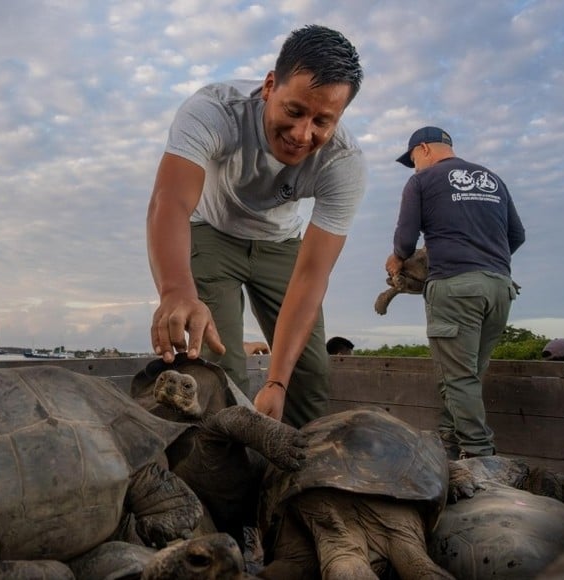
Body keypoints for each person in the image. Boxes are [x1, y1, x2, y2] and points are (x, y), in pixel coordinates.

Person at [147, 24, 366, 428]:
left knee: (309, 372)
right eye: (295, 111)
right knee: (217, 363)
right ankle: (223, 480)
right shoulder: (215, 110)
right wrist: (176, 291)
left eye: (323, 121)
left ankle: (301, 475)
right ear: (269, 86)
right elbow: (170, 201)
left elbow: (312, 275)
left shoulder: (343, 162)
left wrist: (277, 382)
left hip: (280, 244)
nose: (303, 134)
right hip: (212, 231)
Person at [386, 126, 525, 459]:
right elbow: (516, 236)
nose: (414, 166)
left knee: (458, 378)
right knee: (468, 375)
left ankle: (481, 457)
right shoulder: (493, 179)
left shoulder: (422, 181)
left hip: (455, 287)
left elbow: (405, 239)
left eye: (413, 159)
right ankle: (448, 443)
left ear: (423, 149)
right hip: (500, 287)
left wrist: (396, 260)